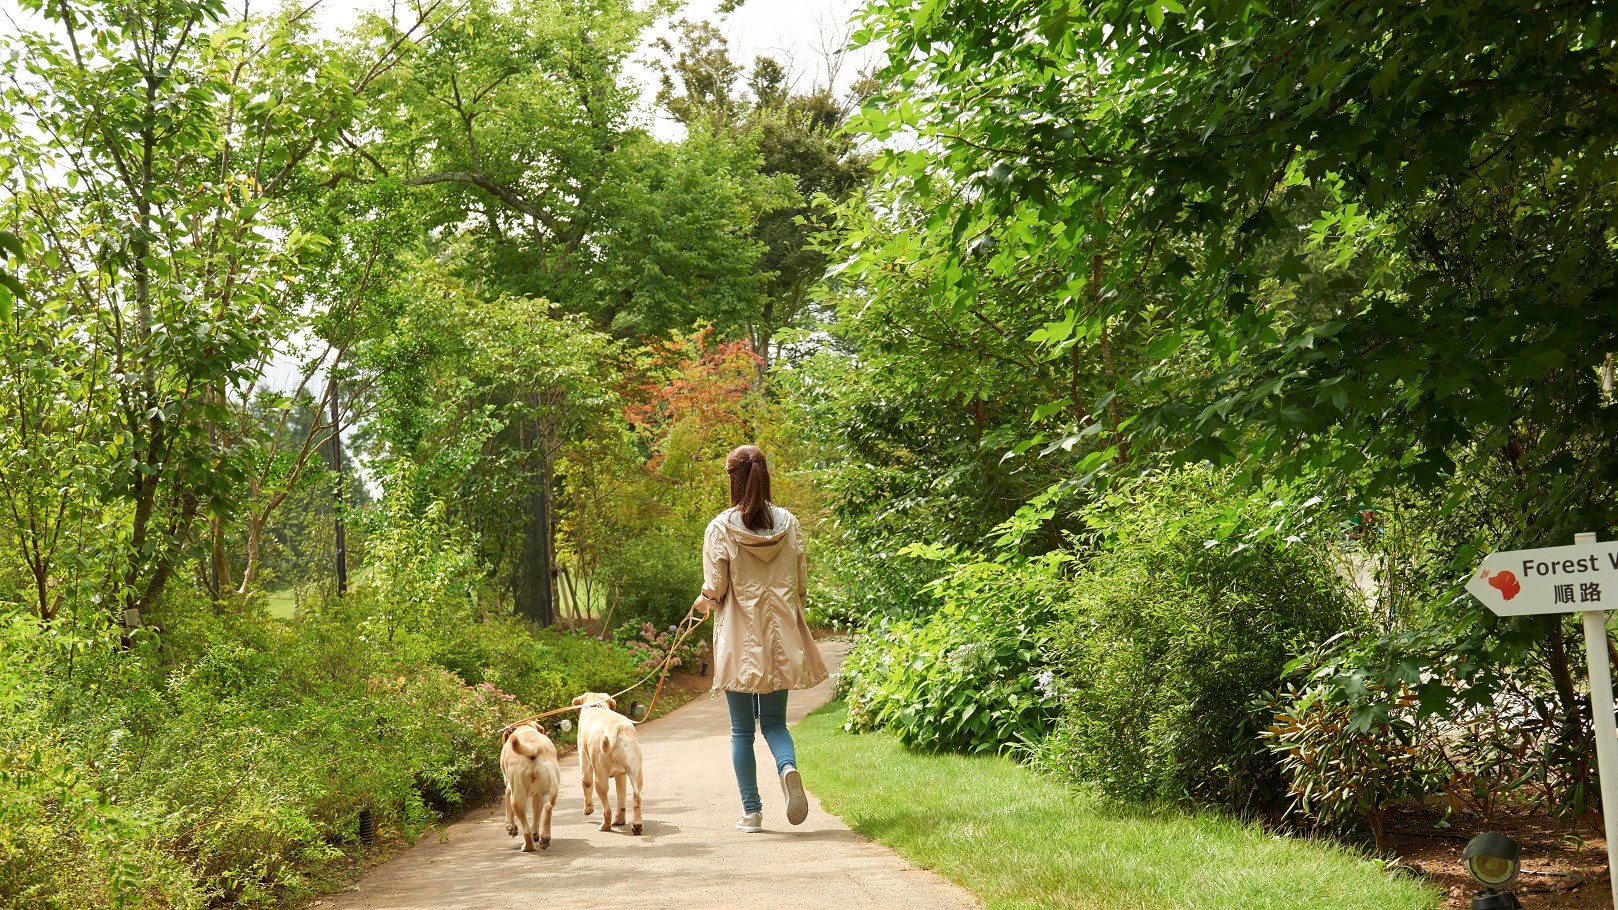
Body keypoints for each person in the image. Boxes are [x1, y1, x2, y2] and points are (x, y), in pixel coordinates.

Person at [692, 444, 828, 833]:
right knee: (774, 723)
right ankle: (787, 769)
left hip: (739, 637)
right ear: (765, 475)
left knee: (740, 730)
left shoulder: (721, 527)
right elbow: (800, 582)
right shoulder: (790, 523)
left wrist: (703, 602)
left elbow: (716, 588)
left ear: (733, 479)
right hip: (780, 633)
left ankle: (751, 813)